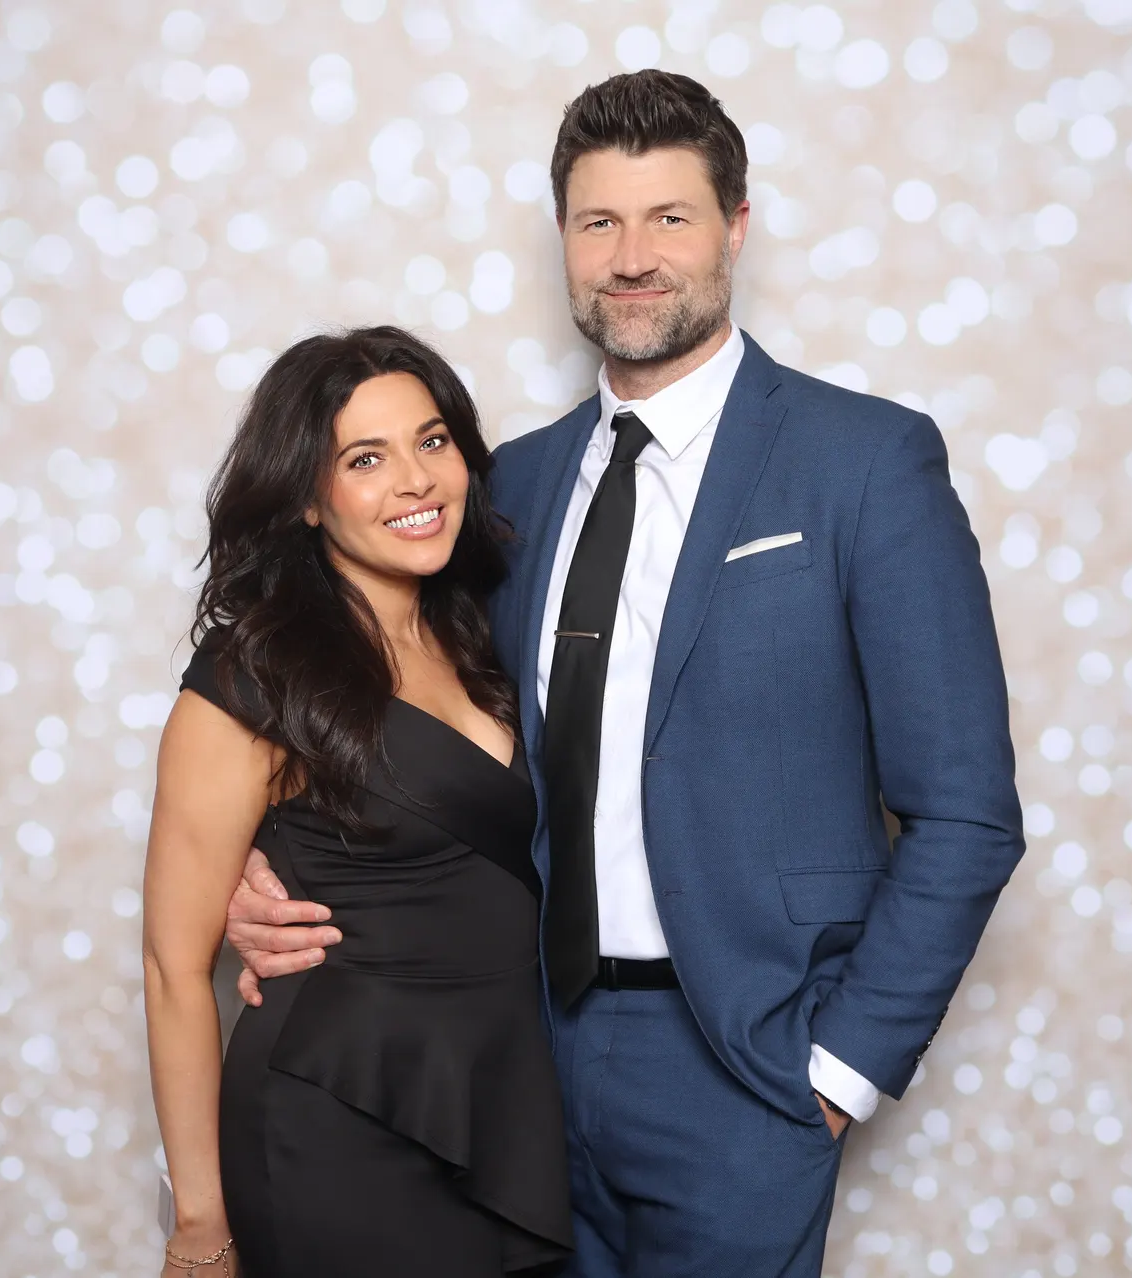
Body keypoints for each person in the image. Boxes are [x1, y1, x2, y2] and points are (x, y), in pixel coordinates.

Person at [226, 71, 1025, 1276]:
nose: (633, 257)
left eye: (670, 218)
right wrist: (260, 858)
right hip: (520, 1057)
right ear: (562, 236)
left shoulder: (863, 464)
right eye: (600, 221)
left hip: (747, 1069)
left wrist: (837, 1071)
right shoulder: (511, 486)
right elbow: (396, 707)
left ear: (736, 227)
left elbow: (966, 812)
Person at [141, 326, 573, 1277]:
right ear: (306, 496)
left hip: (499, 1109)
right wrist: (200, 1229)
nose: (415, 482)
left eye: (432, 441)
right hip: (331, 1119)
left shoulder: (480, 633)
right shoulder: (250, 677)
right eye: (365, 460)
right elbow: (175, 969)